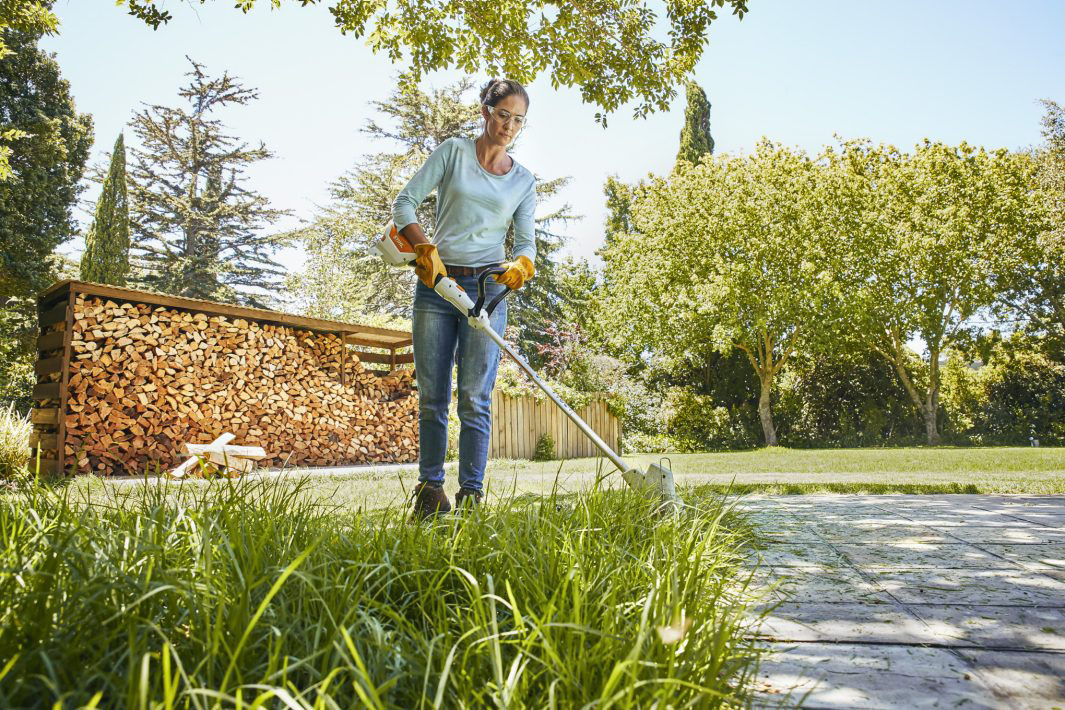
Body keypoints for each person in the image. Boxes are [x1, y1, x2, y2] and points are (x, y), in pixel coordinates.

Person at [392, 78, 537, 519]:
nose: (509, 126)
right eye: (502, 115)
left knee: (475, 397)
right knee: (433, 396)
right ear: (485, 111)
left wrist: (522, 265)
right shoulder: (453, 152)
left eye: (518, 120)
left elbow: (527, 242)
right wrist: (423, 249)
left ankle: (471, 496)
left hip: (488, 292)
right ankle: (430, 494)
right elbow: (405, 203)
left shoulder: (524, 180)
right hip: (437, 286)